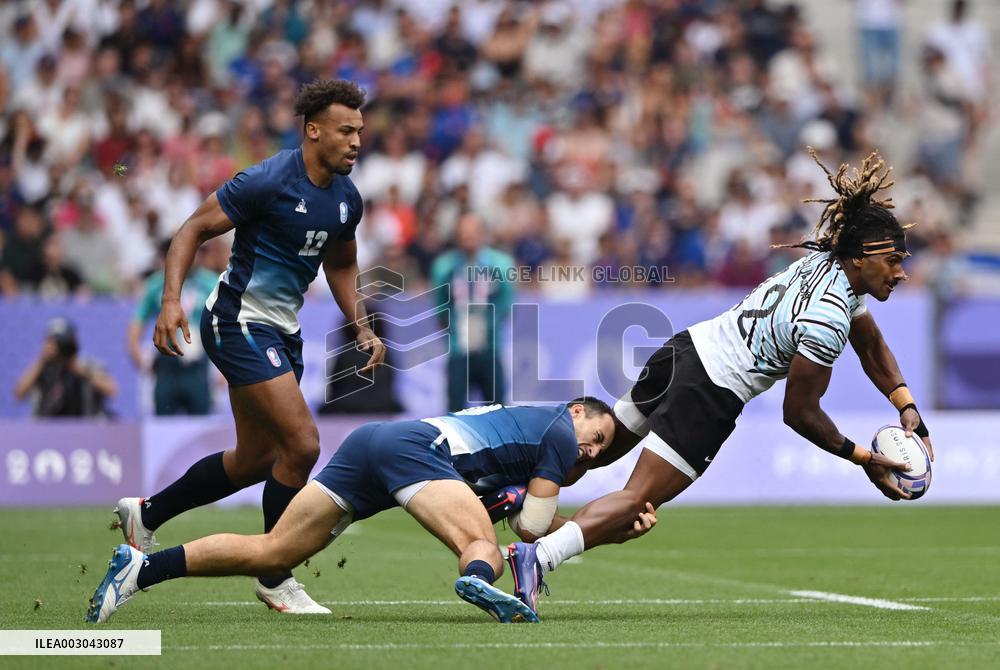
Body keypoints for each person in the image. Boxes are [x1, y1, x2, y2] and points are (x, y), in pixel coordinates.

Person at [506, 149, 935, 616]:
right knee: (636, 502)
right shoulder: (828, 316)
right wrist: (864, 458)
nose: (901, 271)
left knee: (601, 449)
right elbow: (800, 412)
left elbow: (871, 346)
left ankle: (515, 490)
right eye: (892, 259)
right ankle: (538, 556)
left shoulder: (827, 265)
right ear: (859, 259)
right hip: (711, 390)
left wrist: (906, 405)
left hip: (684, 351)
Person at [111, 79, 386, 614]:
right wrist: (170, 301)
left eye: (360, 131)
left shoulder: (347, 199)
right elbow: (192, 229)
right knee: (302, 446)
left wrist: (363, 325)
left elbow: (343, 264)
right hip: (237, 321)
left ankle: (146, 514)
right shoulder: (268, 179)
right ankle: (274, 574)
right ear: (313, 131)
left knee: (255, 459)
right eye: (345, 130)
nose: (356, 141)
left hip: (283, 330)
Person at [86, 399, 652, 624]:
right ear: (577, 410)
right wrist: (567, 521)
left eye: (601, 449)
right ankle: (479, 584)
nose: (592, 450)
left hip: (375, 443)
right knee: (485, 553)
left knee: (274, 553)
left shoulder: (534, 429)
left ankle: (139, 569)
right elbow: (529, 528)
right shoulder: (559, 430)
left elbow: (528, 514)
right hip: (417, 453)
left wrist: (606, 531)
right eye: (595, 434)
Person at [430, 212, 515, 412]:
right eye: (463, 233)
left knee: (498, 412)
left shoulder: (501, 265)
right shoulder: (445, 266)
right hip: (459, 349)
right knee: (454, 414)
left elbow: (506, 304)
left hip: (490, 348)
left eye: (473, 232)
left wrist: (488, 328)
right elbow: (441, 307)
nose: (468, 237)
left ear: (483, 234)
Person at [127, 241, 217, 415]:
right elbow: (137, 323)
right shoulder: (156, 284)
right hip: (167, 364)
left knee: (201, 424)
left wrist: (225, 368)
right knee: (163, 423)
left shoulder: (211, 283)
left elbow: (227, 324)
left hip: (197, 366)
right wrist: (137, 356)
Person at [14, 317, 118, 417]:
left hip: (83, 426)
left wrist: (82, 371)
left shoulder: (86, 365)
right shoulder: (43, 368)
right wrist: (42, 360)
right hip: (48, 428)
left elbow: (112, 390)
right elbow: (19, 393)